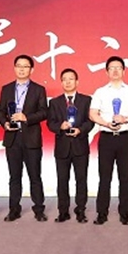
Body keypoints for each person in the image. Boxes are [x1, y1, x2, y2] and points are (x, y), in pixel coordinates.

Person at [89, 55, 128, 225]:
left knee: (124, 177)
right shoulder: (100, 92)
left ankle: (125, 213)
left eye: (118, 68)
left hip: (125, 138)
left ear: (124, 71)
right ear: (106, 72)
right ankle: (101, 213)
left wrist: (125, 119)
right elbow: (92, 113)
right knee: (104, 177)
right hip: (106, 138)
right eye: (111, 68)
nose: (115, 71)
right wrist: (106, 123)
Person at [0, 54, 49, 222]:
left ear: (31, 70)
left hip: (31, 138)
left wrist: (26, 117)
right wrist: (5, 123)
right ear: (14, 68)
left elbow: (44, 112)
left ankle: (39, 209)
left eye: (25, 66)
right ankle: (14, 209)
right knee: (14, 177)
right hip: (12, 138)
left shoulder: (38, 89)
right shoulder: (6, 89)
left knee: (35, 176)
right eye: (19, 66)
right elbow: (1, 112)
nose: (21, 69)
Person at [46, 68, 94, 223]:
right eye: (64, 79)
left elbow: (90, 121)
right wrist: (60, 126)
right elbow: (50, 123)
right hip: (62, 147)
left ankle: (81, 210)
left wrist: (80, 130)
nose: (68, 82)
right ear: (61, 82)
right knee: (62, 181)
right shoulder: (54, 102)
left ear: (77, 82)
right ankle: (63, 211)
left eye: (71, 79)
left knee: (81, 180)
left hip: (80, 146)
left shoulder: (86, 100)